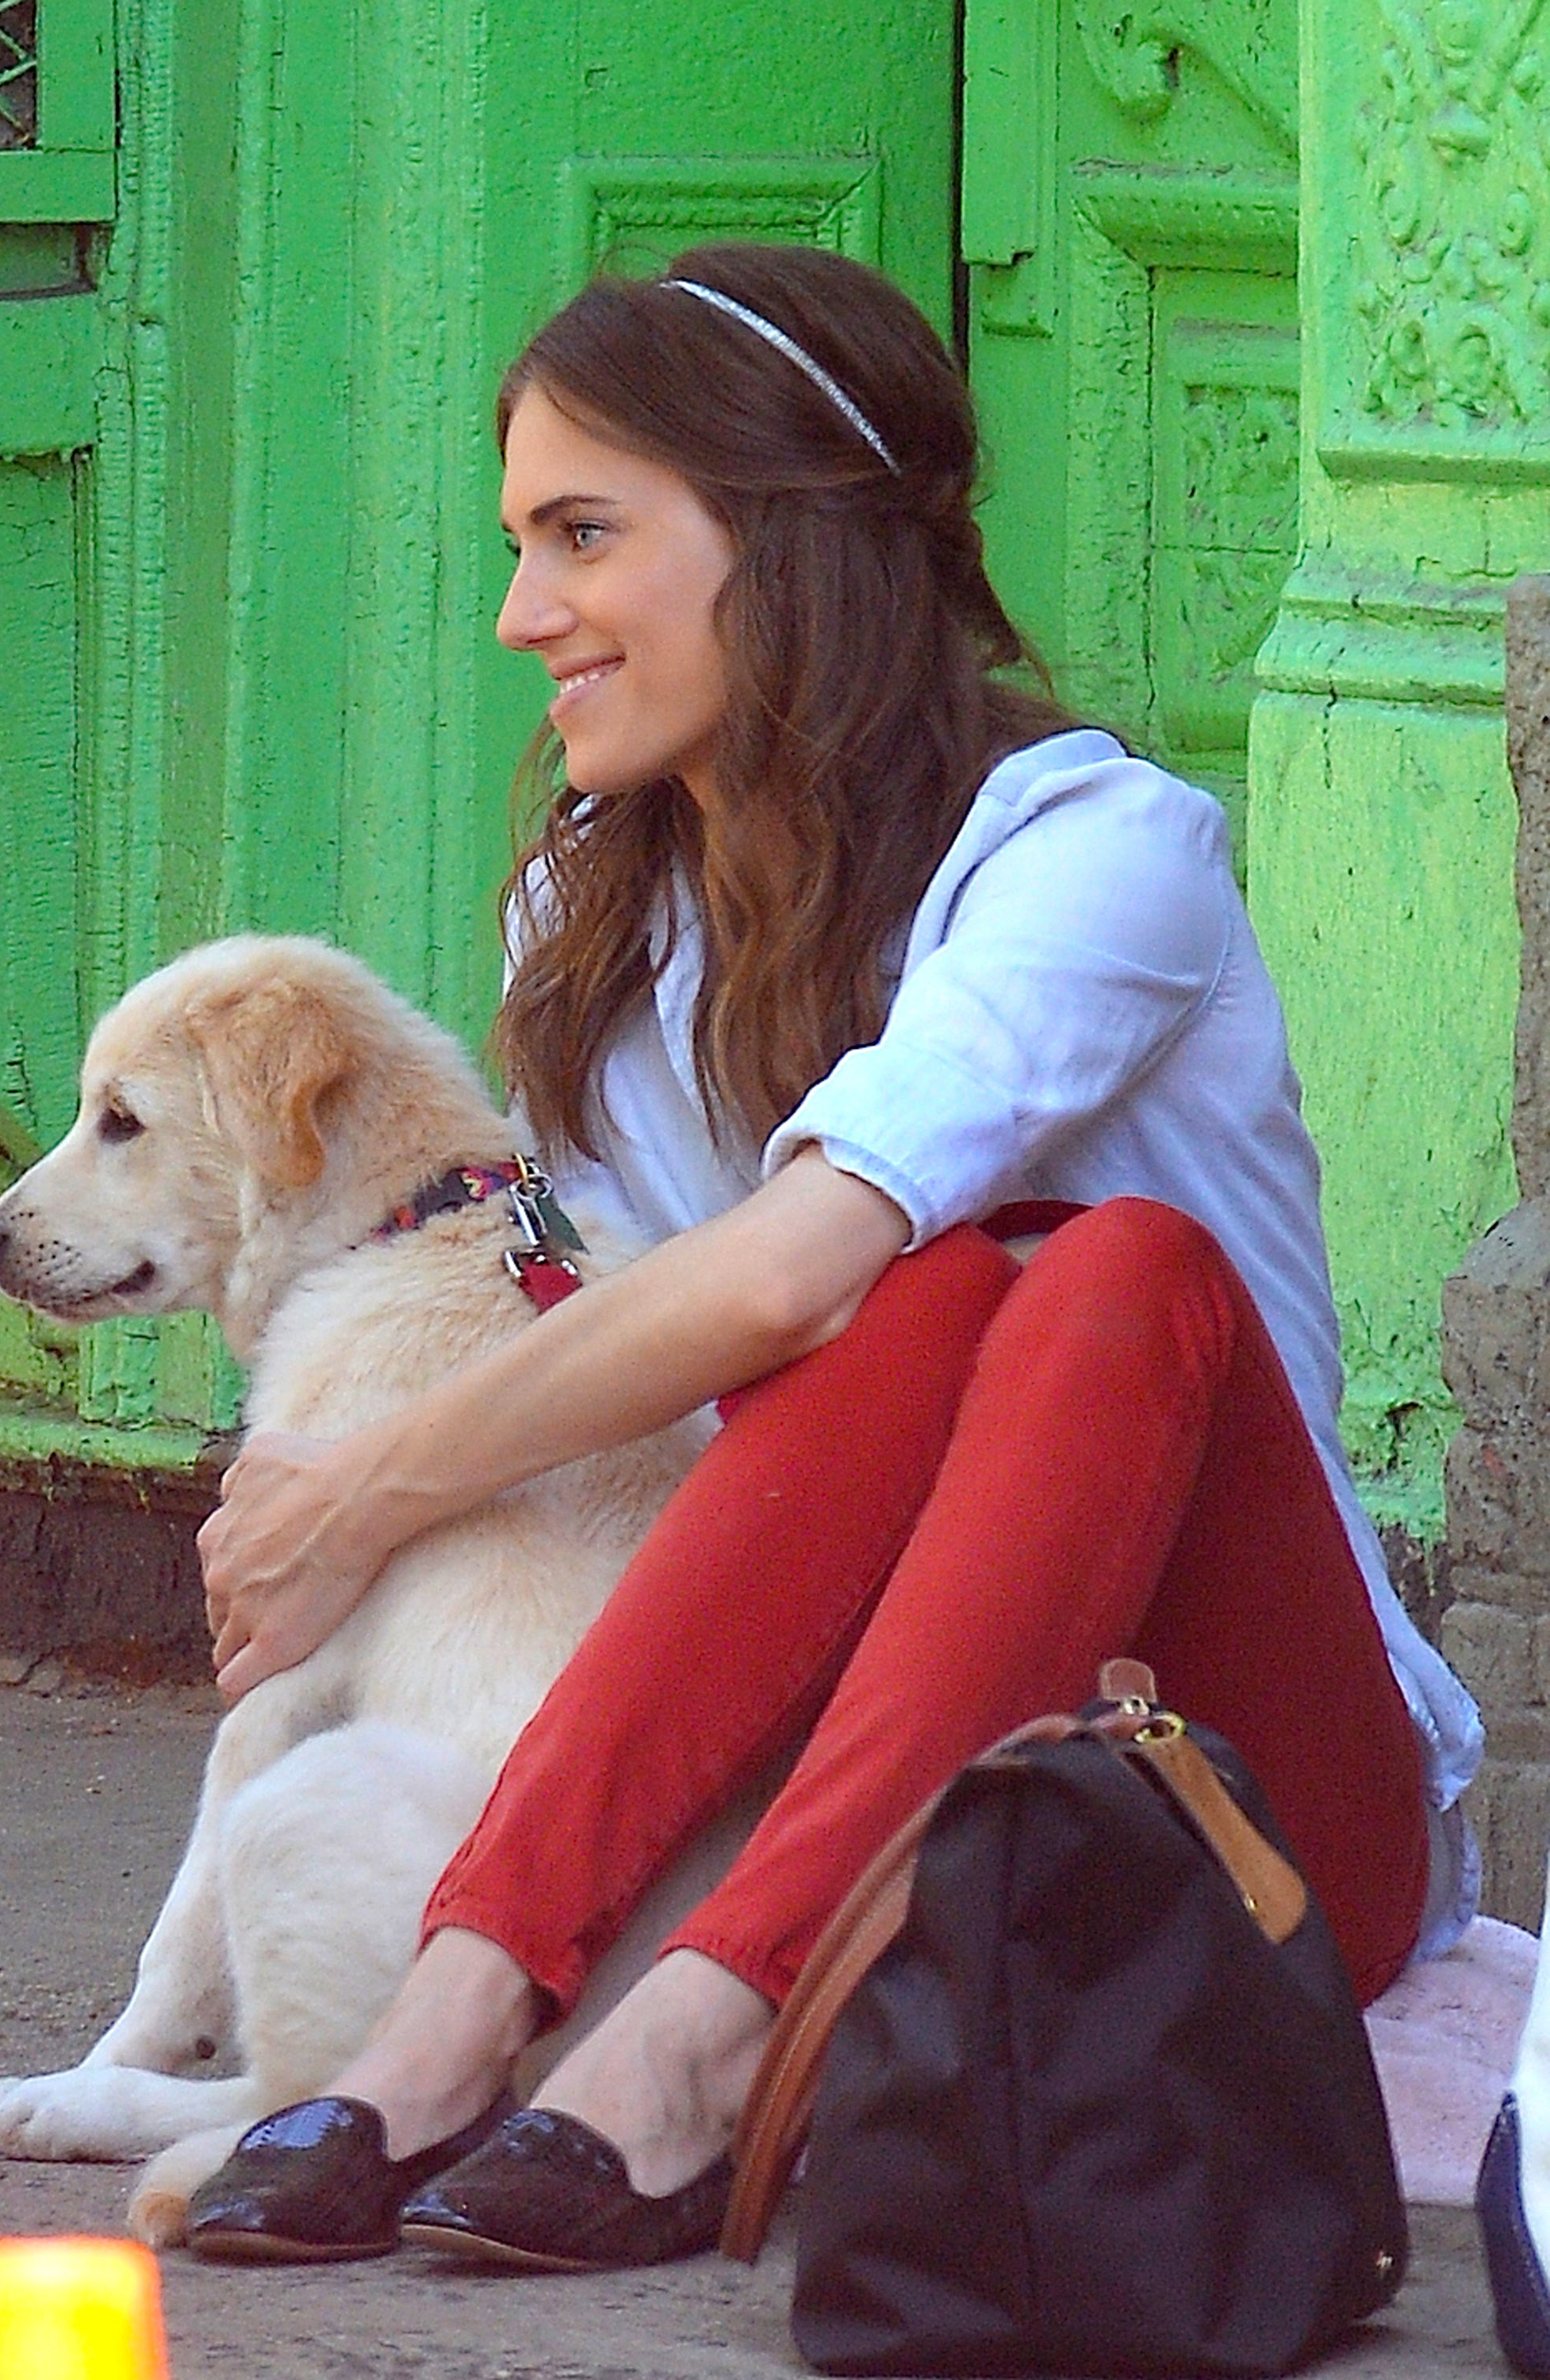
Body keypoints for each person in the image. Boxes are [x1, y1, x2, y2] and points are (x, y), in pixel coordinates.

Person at [182, 242, 1482, 2272]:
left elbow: (786, 1275)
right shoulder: (589, 930)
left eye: (582, 536)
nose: (525, 614)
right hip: (848, 1760)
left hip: (1223, 1787)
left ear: (782, 537)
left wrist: (364, 1493)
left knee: (1091, 1267)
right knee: (939, 1295)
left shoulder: (1097, 854)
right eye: (522, 545)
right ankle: (462, 2008)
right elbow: (712, 1387)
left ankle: (698, 2044)